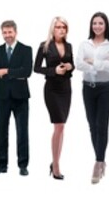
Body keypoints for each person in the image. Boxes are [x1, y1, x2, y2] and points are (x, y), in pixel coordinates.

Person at [0, 21, 34, 175]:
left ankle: (23, 165)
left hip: (21, 96)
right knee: (1, 131)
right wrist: (16, 73)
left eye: (10, 32)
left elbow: (27, 71)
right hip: (2, 96)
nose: (7, 35)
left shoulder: (26, 49)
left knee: (22, 131)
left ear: (15, 32)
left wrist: (6, 71)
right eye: (4, 33)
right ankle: (1, 165)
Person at [78, 12, 109, 183]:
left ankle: (98, 162)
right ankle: (100, 158)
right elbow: (79, 63)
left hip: (105, 89)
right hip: (88, 88)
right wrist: (98, 64)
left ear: (106, 26)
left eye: (101, 23)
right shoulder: (84, 44)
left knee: (102, 125)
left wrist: (91, 62)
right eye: (95, 23)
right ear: (91, 25)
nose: (97, 26)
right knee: (92, 125)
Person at [34, 17, 74, 178]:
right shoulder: (44, 46)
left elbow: (72, 65)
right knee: (58, 125)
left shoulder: (69, 45)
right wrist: (53, 71)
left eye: (64, 27)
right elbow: (36, 68)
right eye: (58, 27)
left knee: (62, 126)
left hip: (66, 89)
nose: (61, 29)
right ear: (53, 29)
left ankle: (55, 161)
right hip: (52, 89)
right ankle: (56, 165)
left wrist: (71, 67)